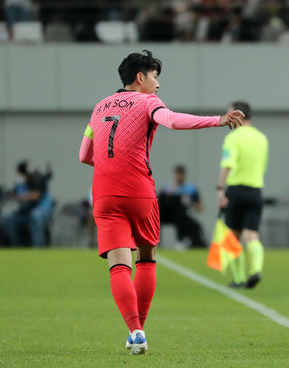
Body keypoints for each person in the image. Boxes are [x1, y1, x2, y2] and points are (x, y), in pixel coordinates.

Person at [79, 50, 244, 355]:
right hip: (138, 189)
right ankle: (141, 327)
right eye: (155, 77)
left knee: (118, 265)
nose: (157, 85)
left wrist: (110, 166)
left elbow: (84, 155)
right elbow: (172, 121)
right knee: (146, 257)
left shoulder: (98, 107)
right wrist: (217, 120)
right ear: (140, 77)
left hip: (104, 192)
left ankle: (135, 331)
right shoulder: (148, 102)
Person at [216, 101, 268, 289]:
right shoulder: (261, 138)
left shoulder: (234, 138)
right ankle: (255, 270)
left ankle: (238, 278)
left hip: (236, 190)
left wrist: (220, 188)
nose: (228, 118)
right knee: (252, 235)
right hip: (255, 190)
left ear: (240, 115)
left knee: (232, 236)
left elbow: (227, 164)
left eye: (230, 114)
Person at [1, 160, 53, 247]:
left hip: (41, 212)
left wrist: (19, 197)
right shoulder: (20, 183)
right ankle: (17, 246)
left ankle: (38, 247)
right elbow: (12, 194)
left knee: (36, 216)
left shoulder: (37, 179)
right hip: (26, 213)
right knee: (7, 218)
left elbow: (36, 195)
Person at [159, 165, 207, 248]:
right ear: (175, 175)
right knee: (157, 216)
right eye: (178, 174)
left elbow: (200, 207)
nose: (179, 177)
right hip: (167, 215)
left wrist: (190, 203)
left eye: (181, 174)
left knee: (194, 224)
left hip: (182, 216)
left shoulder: (191, 189)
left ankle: (182, 240)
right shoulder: (167, 188)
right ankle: (156, 241)